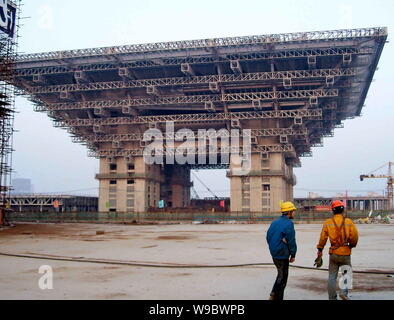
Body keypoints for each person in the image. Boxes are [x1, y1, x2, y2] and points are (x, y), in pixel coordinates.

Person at [316, 200, 358, 300]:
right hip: (345, 253)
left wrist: (320, 249)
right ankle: (343, 293)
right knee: (346, 273)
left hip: (333, 253)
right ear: (343, 210)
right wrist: (351, 245)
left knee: (332, 276)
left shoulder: (328, 222)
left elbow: (323, 238)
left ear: (333, 211)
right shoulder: (348, 222)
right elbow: (355, 237)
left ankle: (332, 297)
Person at [266, 201, 297, 300]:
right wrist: (293, 254)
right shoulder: (289, 224)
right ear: (289, 212)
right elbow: (291, 241)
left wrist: (273, 247)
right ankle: (276, 296)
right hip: (282, 254)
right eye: (293, 211)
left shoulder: (274, 222)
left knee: (280, 275)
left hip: (274, 253)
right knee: (283, 278)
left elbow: (268, 237)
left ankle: (273, 293)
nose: (294, 213)